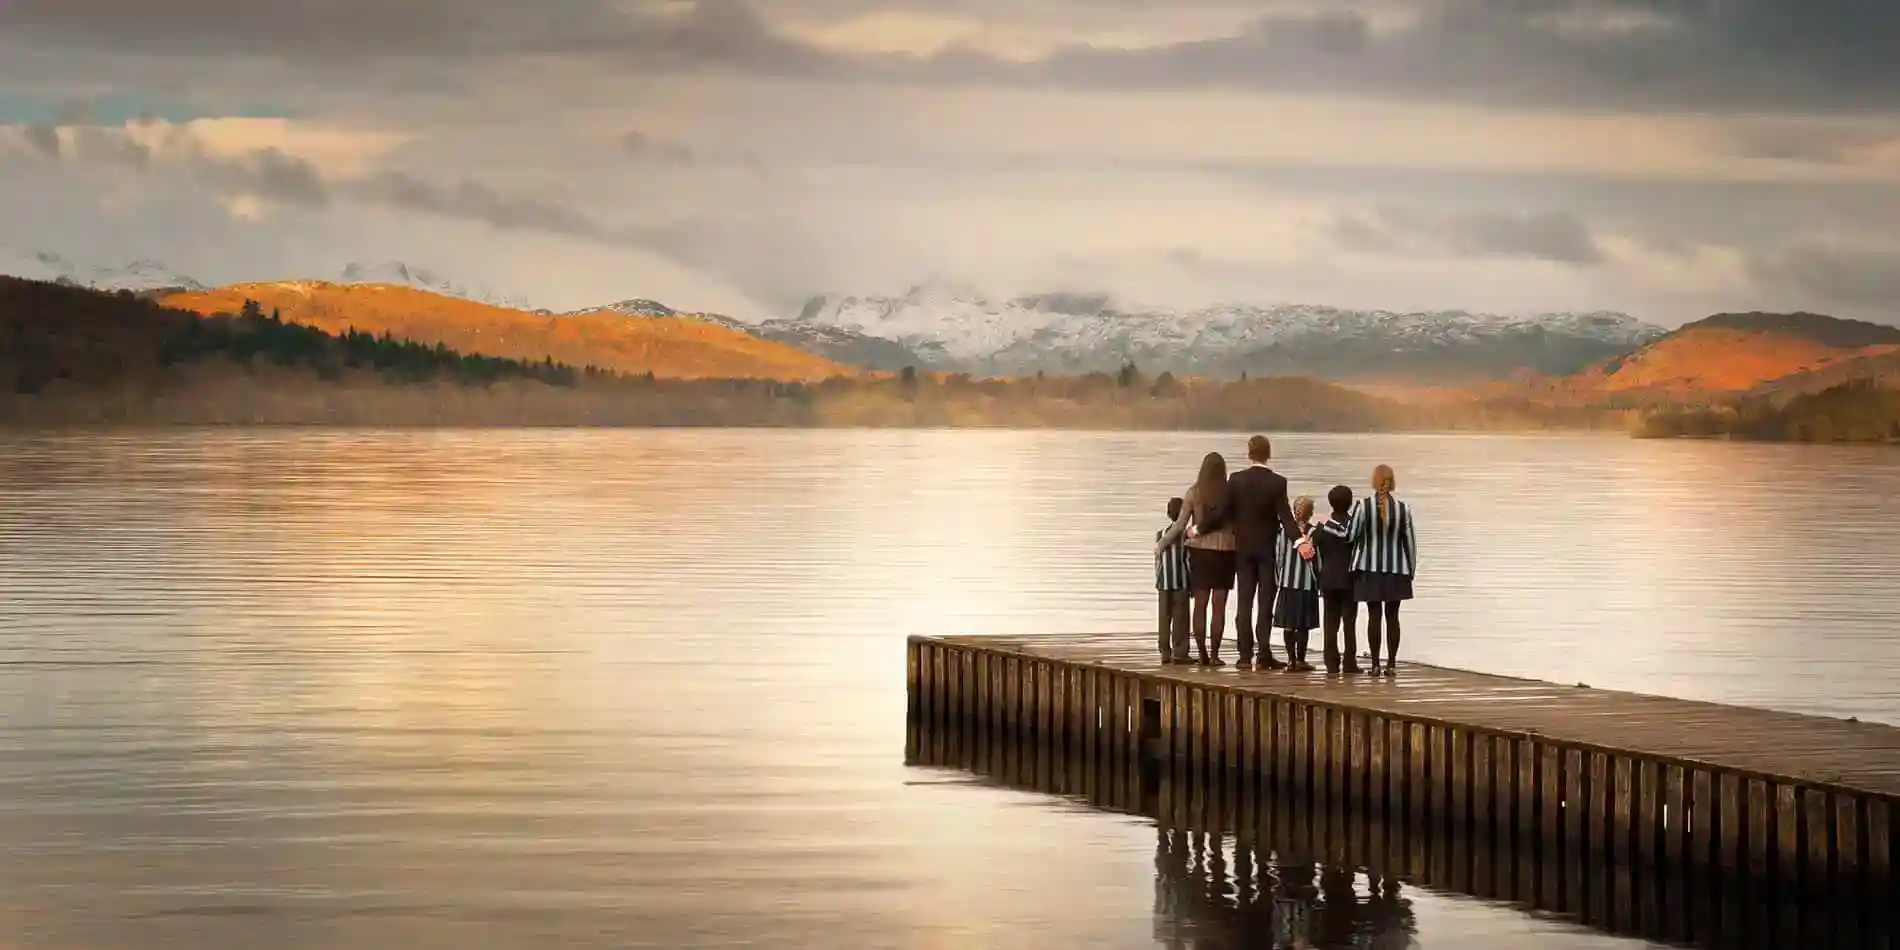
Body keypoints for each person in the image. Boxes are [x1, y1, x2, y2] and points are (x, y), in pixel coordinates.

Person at [1226, 435, 1301, 670]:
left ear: (1249, 454)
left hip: (1243, 549)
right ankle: (1264, 653)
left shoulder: (1236, 480)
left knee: (1244, 602)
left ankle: (1244, 655)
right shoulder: (1278, 482)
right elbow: (1286, 517)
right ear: (1269, 454)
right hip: (1267, 551)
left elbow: (1225, 512)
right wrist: (1300, 540)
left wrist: (1199, 528)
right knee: (1265, 603)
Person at [1157, 452, 1237, 665]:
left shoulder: (1194, 493)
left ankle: (1202, 654)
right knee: (1219, 605)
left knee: (1200, 604)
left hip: (1200, 552)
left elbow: (1179, 525)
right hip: (1226, 552)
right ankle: (1215, 655)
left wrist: (1162, 543)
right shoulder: (1230, 493)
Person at [1348, 464, 1418, 676]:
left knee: (1374, 616)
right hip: (1397, 570)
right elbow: (1411, 544)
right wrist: (1410, 570)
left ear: (1374, 481)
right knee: (1393, 617)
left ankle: (1375, 665)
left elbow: (1351, 536)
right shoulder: (1403, 509)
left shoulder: (1363, 506)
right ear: (1392, 482)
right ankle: (1392, 664)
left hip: (1369, 569)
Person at [1311, 485, 1361, 675]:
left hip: (1328, 578)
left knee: (1330, 621)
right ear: (1350, 503)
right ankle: (1350, 661)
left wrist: (1317, 575)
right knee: (1349, 621)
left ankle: (1331, 661)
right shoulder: (1354, 527)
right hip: (1349, 578)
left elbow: (1313, 552)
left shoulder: (1322, 527)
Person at [1273, 494, 1321, 672]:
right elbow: (1318, 561)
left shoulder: (1284, 532)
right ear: (1310, 513)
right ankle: (1300, 659)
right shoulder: (1314, 533)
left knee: (1289, 624)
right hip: (1307, 584)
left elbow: (1278, 557)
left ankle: (1291, 660)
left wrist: (1279, 579)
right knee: (1303, 625)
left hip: (1287, 583)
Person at [1155, 496, 1191, 664]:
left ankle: (1164, 651)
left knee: (1164, 617)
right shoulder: (1186, 536)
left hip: (1163, 581)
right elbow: (1188, 560)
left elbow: (1157, 560)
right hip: (1180, 581)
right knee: (1180, 617)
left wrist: (1158, 578)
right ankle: (1180, 652)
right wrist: (1191, 582)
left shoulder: (1160, 534)